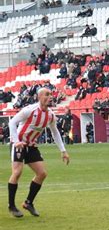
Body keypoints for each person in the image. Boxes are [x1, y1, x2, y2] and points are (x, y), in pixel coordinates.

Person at [7, 88, 70, 217]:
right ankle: (12, 206)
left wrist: (63, 151)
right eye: (47, 94)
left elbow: (55, 132)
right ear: (39, 97)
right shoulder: (29, 110)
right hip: (19, 144)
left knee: (42, 173)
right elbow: (12, 122)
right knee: (17, 172)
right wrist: (16, 140)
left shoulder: (51, 115)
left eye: (51, 95)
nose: (50, 97)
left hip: (31, 145)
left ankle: (28, 203)